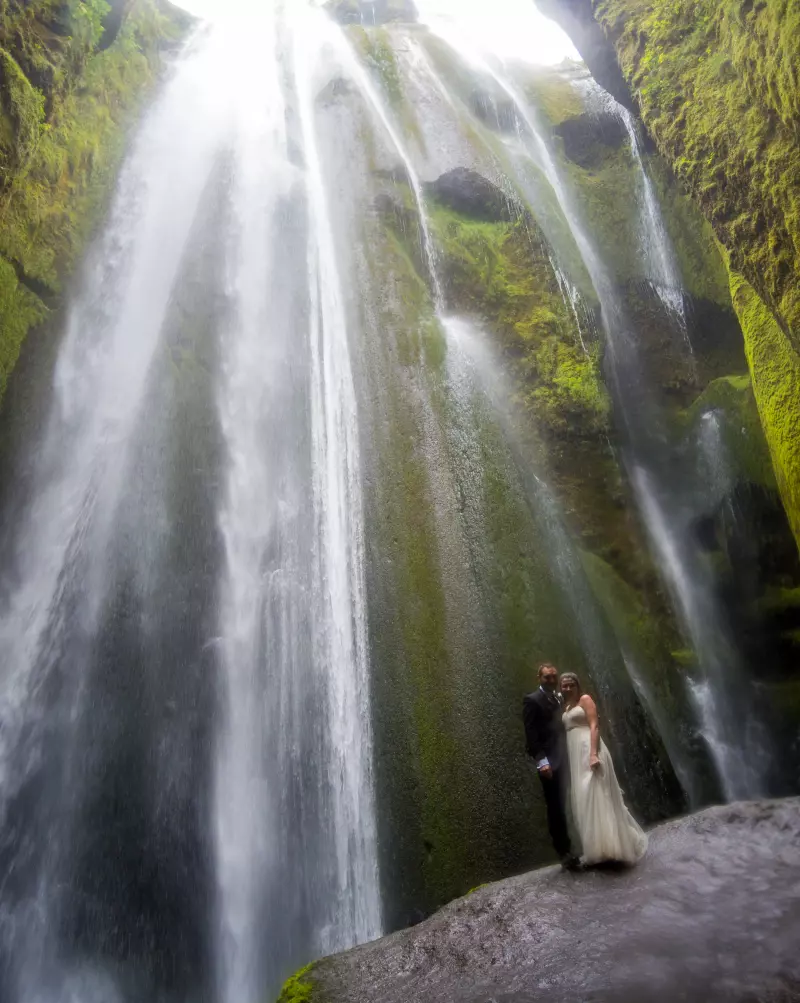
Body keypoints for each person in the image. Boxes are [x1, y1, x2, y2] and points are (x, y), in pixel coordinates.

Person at [560, 671, 648, 866]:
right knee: (585, 797)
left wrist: (593, 753)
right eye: (564, 685)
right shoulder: (566, 706)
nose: (567, 688)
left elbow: (594, 725)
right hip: (575, 755)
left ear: (577, 685)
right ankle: (598, 848)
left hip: (588, 748)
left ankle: (613, 847)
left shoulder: (585, 699)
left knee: (598, 793)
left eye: (570, 685)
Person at [523, 663, 580, 870]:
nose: (551, 680)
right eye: (547, 677)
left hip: (567, 756)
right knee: (555, 807)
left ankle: (577, 844)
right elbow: (531, 734)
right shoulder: (532, 700)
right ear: (539, 677)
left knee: (569, 800)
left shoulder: (559, 697)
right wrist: (541, 761)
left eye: (553, 676)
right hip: (550, 762)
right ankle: (564, 852)